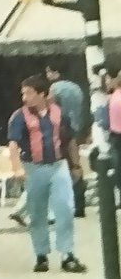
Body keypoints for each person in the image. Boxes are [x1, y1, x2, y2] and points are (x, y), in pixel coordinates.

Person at [7, 76, 88, 274]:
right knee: (37, 214)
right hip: (33, 168)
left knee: (66, 209)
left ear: (42, 94)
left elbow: (69, 140)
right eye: (23, 93)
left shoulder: (59, 113)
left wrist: (76, 165)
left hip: (58, 165)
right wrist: (17, 168)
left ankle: (67, 254)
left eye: (29, 93)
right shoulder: (19, 116)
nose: (24, 97)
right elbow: (13, 143)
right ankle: (41, 255)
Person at [45, 63, 88, 217]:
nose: (47, 75)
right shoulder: (76, 88)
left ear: (55, 72)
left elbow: (52, 107)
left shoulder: (55, 88)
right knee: (76, 166)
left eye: (49, 72)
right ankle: (80, 205)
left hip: (62, 130)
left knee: (61, 166)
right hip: (76, 128)